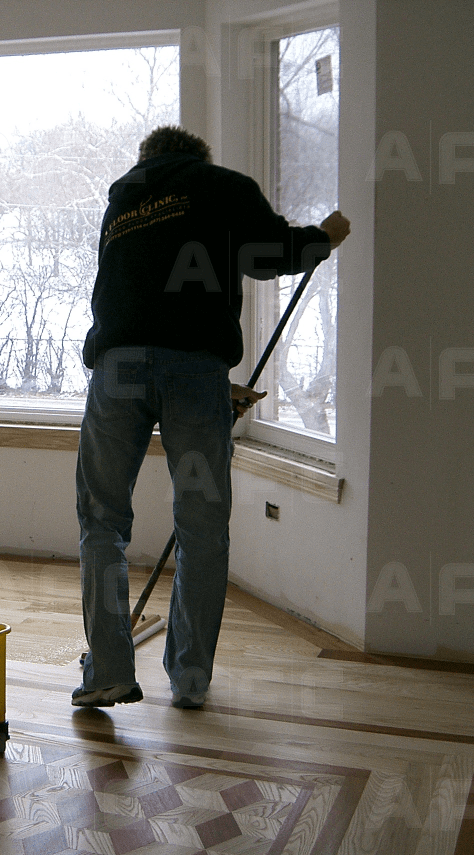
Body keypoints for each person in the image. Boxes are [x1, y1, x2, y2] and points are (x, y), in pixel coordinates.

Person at [73, 125, 350, 709]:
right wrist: (322, 239)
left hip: (117, 369)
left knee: (102, 524)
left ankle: (107, 670)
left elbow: (123, 298)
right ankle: (191, 677)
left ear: (148, 159)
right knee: (201, 527)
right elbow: (270, 254)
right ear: (197, 157)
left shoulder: (124, 199)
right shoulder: (221, 186)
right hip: (195, 375)